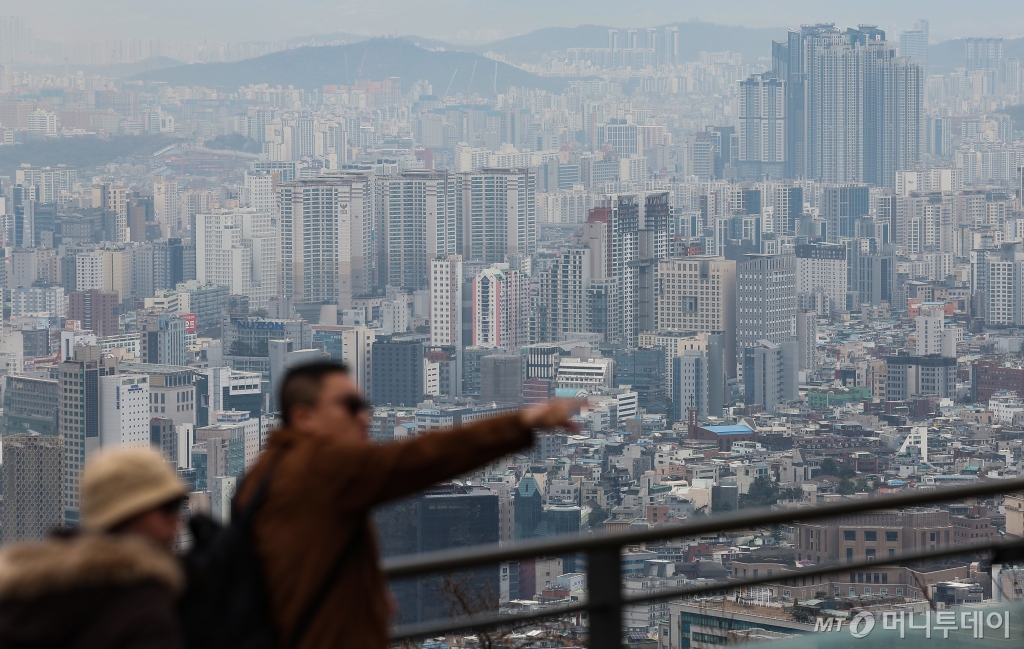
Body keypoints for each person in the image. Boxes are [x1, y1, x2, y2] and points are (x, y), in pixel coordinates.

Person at [237, 361, 579, 649]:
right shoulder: (319, 467)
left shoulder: (264, 472)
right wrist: (520, 423)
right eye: (351, 407)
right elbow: (418, 460)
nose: (365, 417)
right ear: (304, 416)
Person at [0, 447, 188, 649]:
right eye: (169, 506)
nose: (177, 519)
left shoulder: (22, 600)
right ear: (127, 513)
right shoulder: (142, 608)